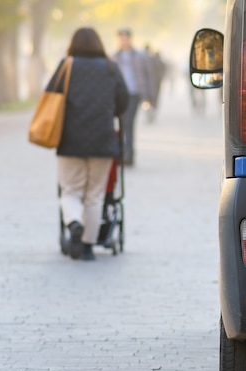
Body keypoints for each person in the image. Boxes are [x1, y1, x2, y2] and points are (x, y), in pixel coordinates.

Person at [48, 27, 129, 261]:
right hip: (102, 141)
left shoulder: (67, 66)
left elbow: (51, 96)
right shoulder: (111, 67)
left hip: (69, 140)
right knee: (95, 196)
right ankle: (86, 247)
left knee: (70, 190)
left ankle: (74, 222)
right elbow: (122, 102)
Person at [112, 28, 155, 166]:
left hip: (134, 93)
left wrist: (150, 96)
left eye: (126, 37)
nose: (124, 40)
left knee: (128, 123)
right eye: (121, 38)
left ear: (130, 39)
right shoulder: (114, 56)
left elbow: (149, 76)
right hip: (118, 93)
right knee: (120, 123)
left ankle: (129, 154)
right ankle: (120, 153)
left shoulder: (139, 56)